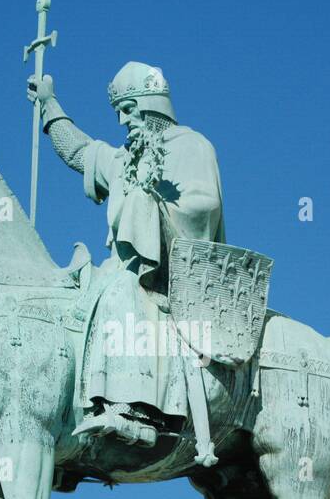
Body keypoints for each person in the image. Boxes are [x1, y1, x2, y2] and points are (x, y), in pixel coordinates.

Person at [28, 62, 226, 446]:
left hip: (173, 272)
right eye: (118, 111)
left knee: (120, 288)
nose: (121, 120)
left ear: (153, 106)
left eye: (129, 109)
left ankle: (137, 410)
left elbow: (207, 205)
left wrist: (154, 204)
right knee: (92, 289)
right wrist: (49, 106)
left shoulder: (192, 146)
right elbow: (82, 151)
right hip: (125, 269)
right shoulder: (124, 159)